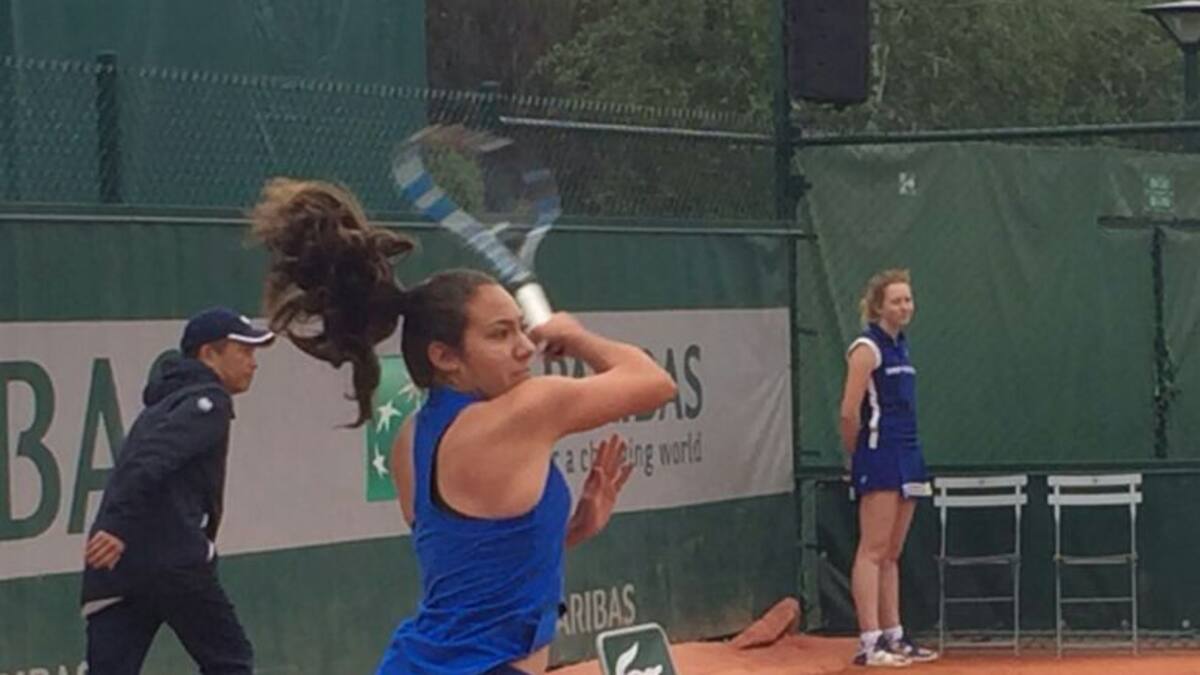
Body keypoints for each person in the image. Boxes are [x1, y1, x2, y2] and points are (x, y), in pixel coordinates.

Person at [249, 178, 677, 675]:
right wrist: (576, 336)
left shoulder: (409, 439)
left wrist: (575, 528)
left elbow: (471, 568)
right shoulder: (527, 410)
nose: (525, 346)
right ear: (446, 357)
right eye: (501, 334)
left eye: (522, 326)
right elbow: (655, 382)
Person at [81, 307, 276, 675]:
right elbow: (150, 461)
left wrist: (116, 528)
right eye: (244, 352)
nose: (253, 364)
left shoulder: (162, 405)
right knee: (230, 661)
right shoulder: (208, 402)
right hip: (173, 564)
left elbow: (140, 465)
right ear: (209, 354)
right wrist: (117, 526)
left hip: (118, 570)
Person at [838, 269, 937, 668]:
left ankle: (895, 636)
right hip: (879, 454)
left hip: (909, 453)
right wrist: (857, 455)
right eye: (896, 300)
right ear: (879, 306)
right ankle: (869, 641)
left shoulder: (902, 347)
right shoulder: (867, 347)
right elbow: (849, 412)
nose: (904, 306)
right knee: (873, 550)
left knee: (893, 552)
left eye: (908, 299)